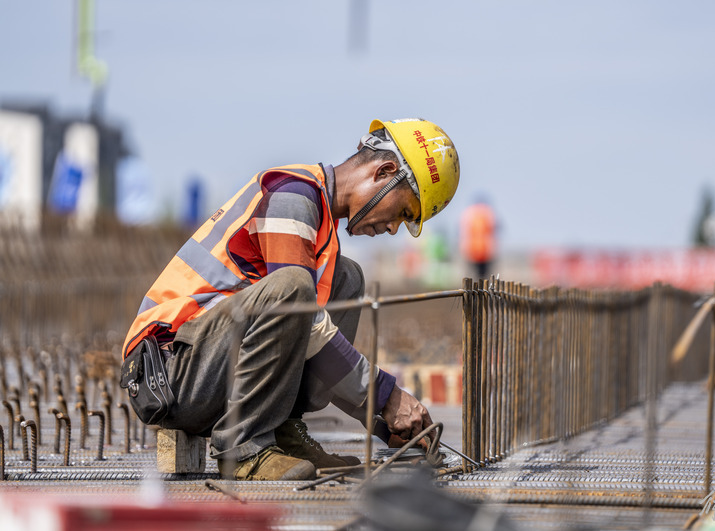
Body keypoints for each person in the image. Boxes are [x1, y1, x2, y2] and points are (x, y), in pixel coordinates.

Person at [119, 118, 460, 481]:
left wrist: (384, 423)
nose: (393, 228)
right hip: (170, 376)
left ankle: (283, 431)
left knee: (345, 279)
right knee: (295, 289)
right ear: (385, 171)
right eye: (403, 211)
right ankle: (242, 446)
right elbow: (305, 320)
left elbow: (315, 343)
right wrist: (388, 398)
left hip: (206, 367)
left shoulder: (321, 228)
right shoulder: (292, 196)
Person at [460, 196, 497, 279]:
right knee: (483, 277)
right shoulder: (488, 213)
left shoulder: (469, 213)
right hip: (484, 251)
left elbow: (463, 232)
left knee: (472, 277)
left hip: (472, 250)